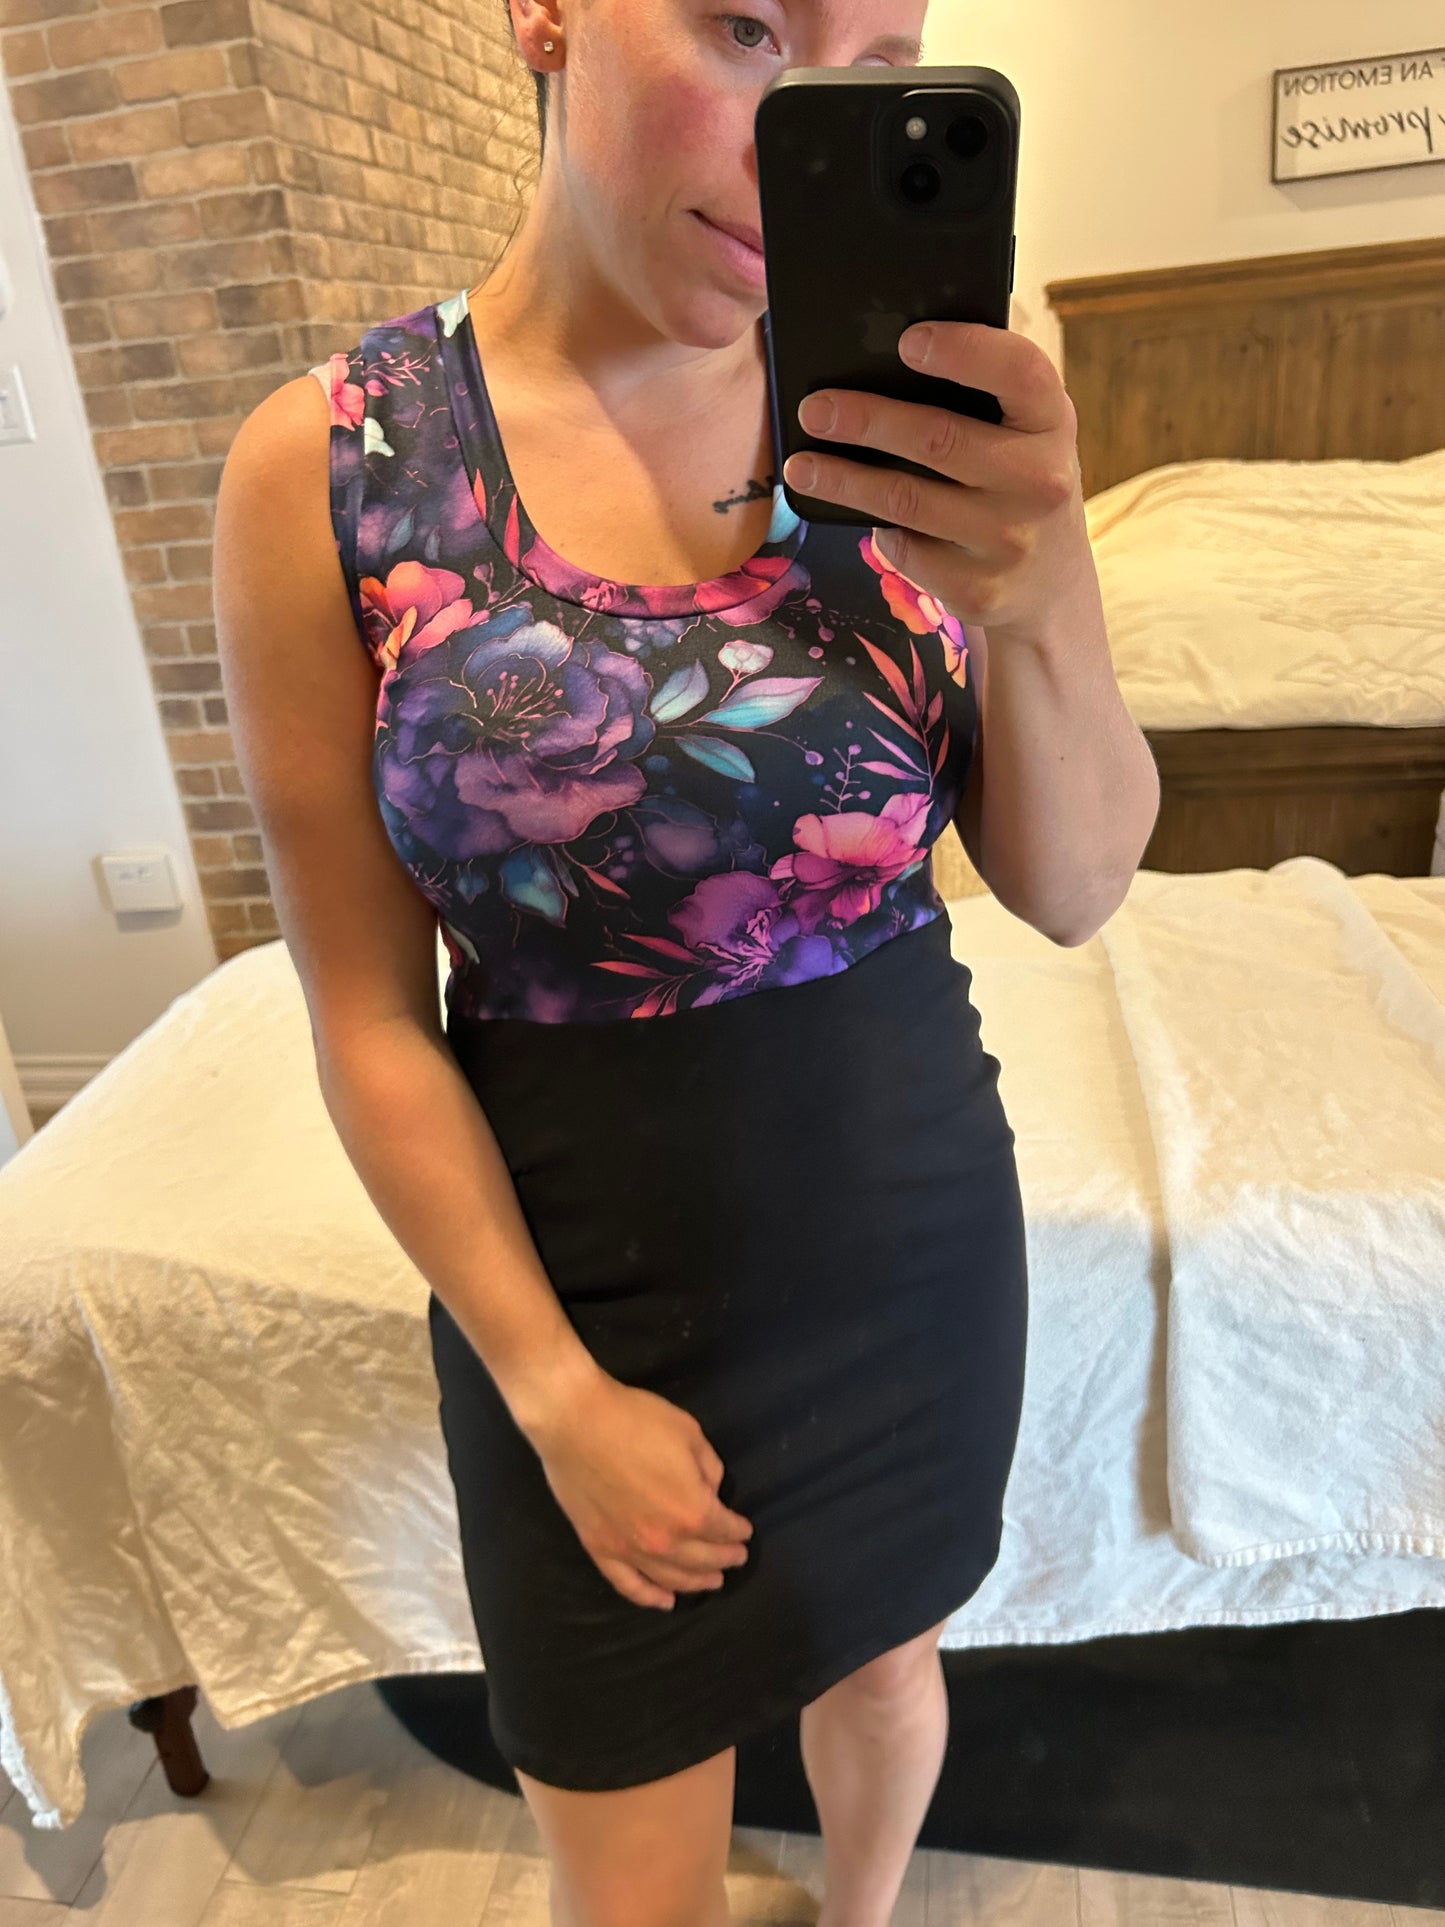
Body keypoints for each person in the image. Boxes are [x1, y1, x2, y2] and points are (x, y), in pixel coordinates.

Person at [213, 4, 1038, 1922]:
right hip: (575, 1301)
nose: (791, 121)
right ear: (545, 11)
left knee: (889, 1668)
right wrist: (551, 1393)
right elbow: (364, 1013)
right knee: (628, 1857)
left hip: (911, 1244)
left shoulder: (915, 414)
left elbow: (1074, 881)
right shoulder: (330, 467)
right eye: (742, 25)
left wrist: (1049, 575)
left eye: (868, 63)